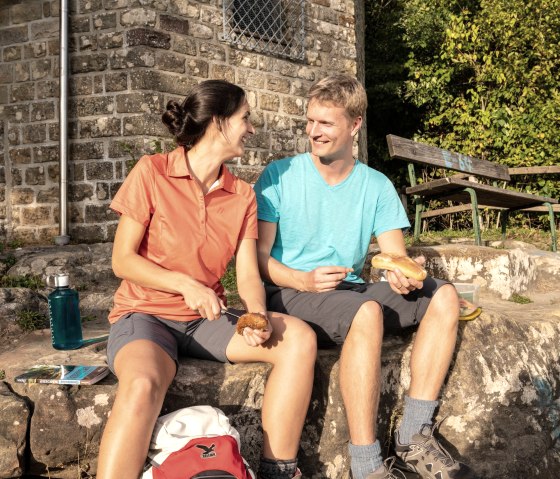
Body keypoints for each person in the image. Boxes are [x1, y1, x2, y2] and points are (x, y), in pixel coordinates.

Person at [254, 74, 478, 479]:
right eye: (310, 121)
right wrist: (302, 280)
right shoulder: (279, 175)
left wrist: (402, 277)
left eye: (325, 123)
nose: (313, 132)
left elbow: (394, 256)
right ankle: (366, 464)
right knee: (367, 312)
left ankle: (413, 436)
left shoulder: (376, 185)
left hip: (349, 293)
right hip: (290, 292)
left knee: (442, 296)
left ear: (354, 125)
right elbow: (258, 258)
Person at [96, 80, 316, 479]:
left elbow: (248, 273)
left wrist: (256, 316)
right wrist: (186, 284)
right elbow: (122, 260)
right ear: (218, 122)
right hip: (145, 315)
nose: (251, 128)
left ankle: (278, 471)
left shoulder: (243, 195)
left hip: (205, 321)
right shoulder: (152, 171)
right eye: (244, 118)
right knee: (143, 384)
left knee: (298, 338)